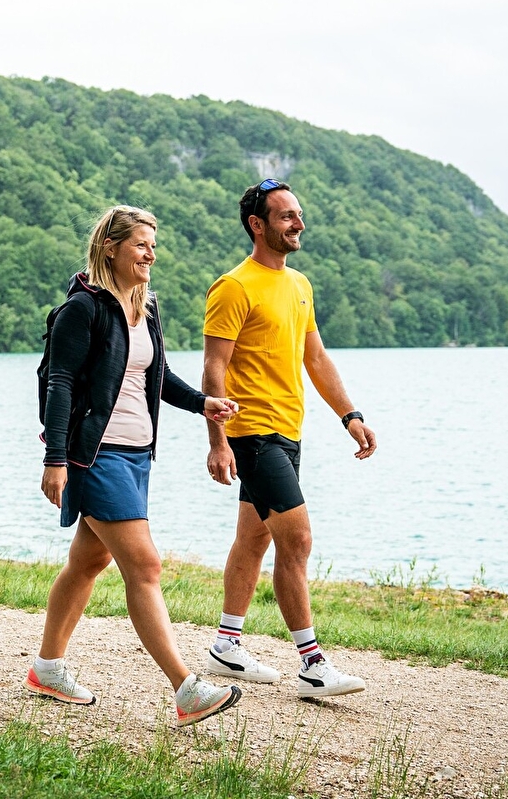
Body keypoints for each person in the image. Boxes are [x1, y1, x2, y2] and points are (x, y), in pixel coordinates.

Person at [31, 205, 244, 726]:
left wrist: (202, 404)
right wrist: (55, 459)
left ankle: (47, 669)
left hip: (135, 456)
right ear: (111, 247)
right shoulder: (82, 309)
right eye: (142, 244)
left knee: (88, 562)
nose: (151, 254)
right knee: (145, 567)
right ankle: (186, 688)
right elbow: (60, 384)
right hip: (94, 455)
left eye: (154, 245)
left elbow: (159, 375)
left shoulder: (146, 307)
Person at [200, 179, 378, 698]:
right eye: (285, 217)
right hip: (252, 432)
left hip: (288, 431)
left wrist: (350, 414)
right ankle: (312, 664)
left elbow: (315, 358)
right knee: (296, 540)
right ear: (257, 225)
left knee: (253, 539)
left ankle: (226, 644)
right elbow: (215, 367)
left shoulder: (299, 284)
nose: (298, 223)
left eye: (298, 215)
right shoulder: (233, 287)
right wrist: (218, 439)